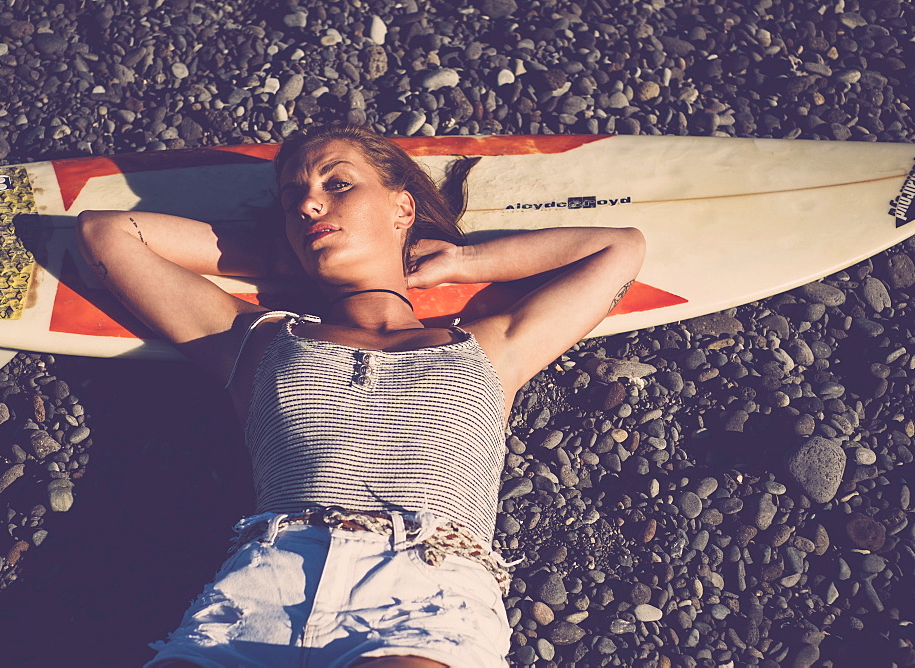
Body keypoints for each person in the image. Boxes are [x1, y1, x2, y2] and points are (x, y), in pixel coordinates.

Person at [76, 124, 645, 668]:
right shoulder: (252, 340)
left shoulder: (492, 347)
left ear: (402, 208)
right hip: (264, 586)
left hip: (425, 589)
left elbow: (619, 247)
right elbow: (106, 233)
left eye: (336, 183)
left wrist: (464, 260)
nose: (307, 205)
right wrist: (284, 257)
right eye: (293, 198)